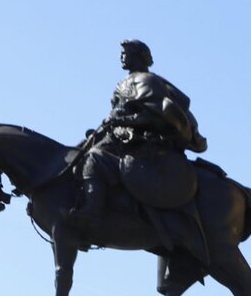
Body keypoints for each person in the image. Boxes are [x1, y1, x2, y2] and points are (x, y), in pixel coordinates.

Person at [71, 40, 208, 227]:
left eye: (125, 53)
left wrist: (121, 121)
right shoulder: (125, 83)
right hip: (116, 135)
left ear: (137, 56)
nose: (121, 57)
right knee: (76, 154)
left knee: (93, 159)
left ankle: (92, 213)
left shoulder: (148, 81)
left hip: (139, 142)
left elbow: (155, 116)